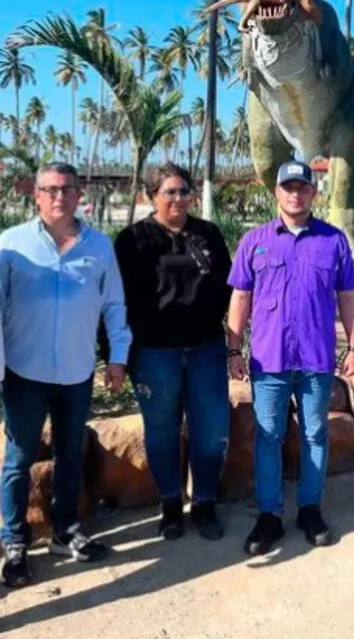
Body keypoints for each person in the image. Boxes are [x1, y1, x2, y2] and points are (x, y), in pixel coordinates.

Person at [0, 162, 131, 588]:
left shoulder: (99, 247)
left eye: (68, 189)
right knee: (18, 460)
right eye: (51, 189)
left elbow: (113, 305)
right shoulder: (11, 245)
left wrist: (117, 357)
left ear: (79, 195)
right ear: (35, 195)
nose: (60, 196)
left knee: (70, 455)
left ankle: (65, 532)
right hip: (24, 373)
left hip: (76, 373)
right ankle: (14, 542)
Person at [227, 160, 354, 555]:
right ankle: (269, 515)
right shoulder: (255, 241)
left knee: (315, 433)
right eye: (288, 187)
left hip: (317, 358)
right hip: (268, 360)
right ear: (277, 193)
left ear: (313, 193)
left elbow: (348, 298)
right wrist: (234, 348)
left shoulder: (334, 241)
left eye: (303, 187)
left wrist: (353, 348)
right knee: (268, 436)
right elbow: (240, 297)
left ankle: (309, 508)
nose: (295, 194)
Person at [114, 163, 232, 541]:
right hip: (154, 353)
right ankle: (169, 505)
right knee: (162, 431)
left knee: (212, 431)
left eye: (184, 191)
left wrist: (234, 343)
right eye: (170, 192)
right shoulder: (133, 240)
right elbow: (117, 302)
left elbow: (230, 288)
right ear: (152, 196)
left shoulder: (208, 234)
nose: (179, 198)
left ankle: (204, 503)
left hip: (206, 349)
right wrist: (116, 354)